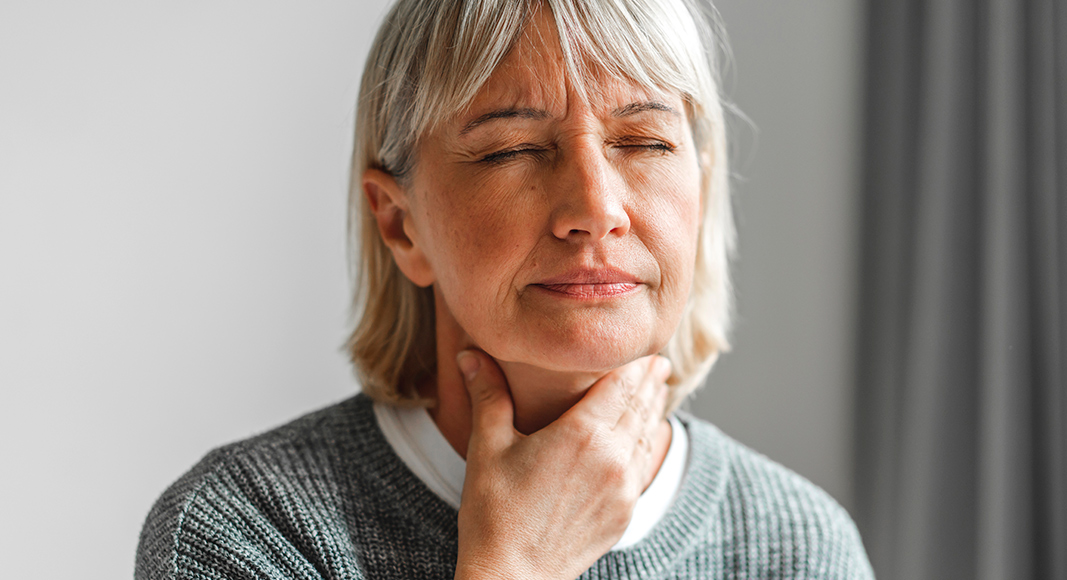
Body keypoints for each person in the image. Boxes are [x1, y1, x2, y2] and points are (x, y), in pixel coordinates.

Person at [136, 0, 875, 578]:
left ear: (703, 190)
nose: (595, 209)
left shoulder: (796, 545)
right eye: (513, 150)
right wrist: (516, 565)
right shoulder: (245, 529)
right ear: (400, 225)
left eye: (645, 143)